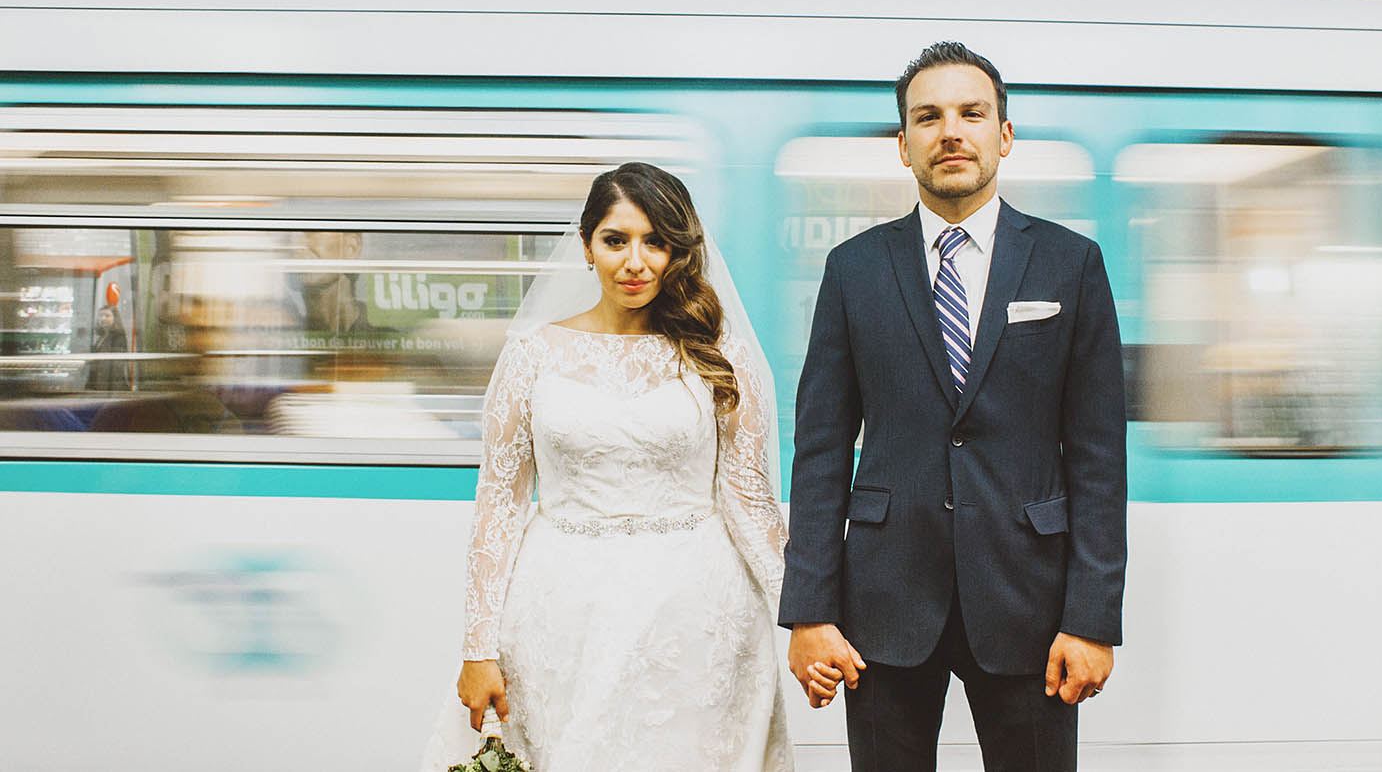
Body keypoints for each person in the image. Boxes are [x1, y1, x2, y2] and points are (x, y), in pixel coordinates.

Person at [780, 43, 1128, 771]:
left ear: (1004, 134)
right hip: (883, 600)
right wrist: (810, 610)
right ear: (903, 145)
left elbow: (1098, 456)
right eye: (928, 117)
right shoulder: (853, 269)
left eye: (972, 113)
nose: (951, 131)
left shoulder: (1072, 263)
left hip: (1029, 600)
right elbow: (819, 449)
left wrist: (1092, 618)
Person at [440, 162, 793, 771]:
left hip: (698, 621)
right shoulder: (530, 356)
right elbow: (498, 506)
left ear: (679, 251)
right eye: (616, 240)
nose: (636, 261)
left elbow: (750, 502)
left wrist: (810, 615)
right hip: (560, 618)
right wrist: (478, 646)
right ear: (586, 247)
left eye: (656, 242)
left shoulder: (720, 358)